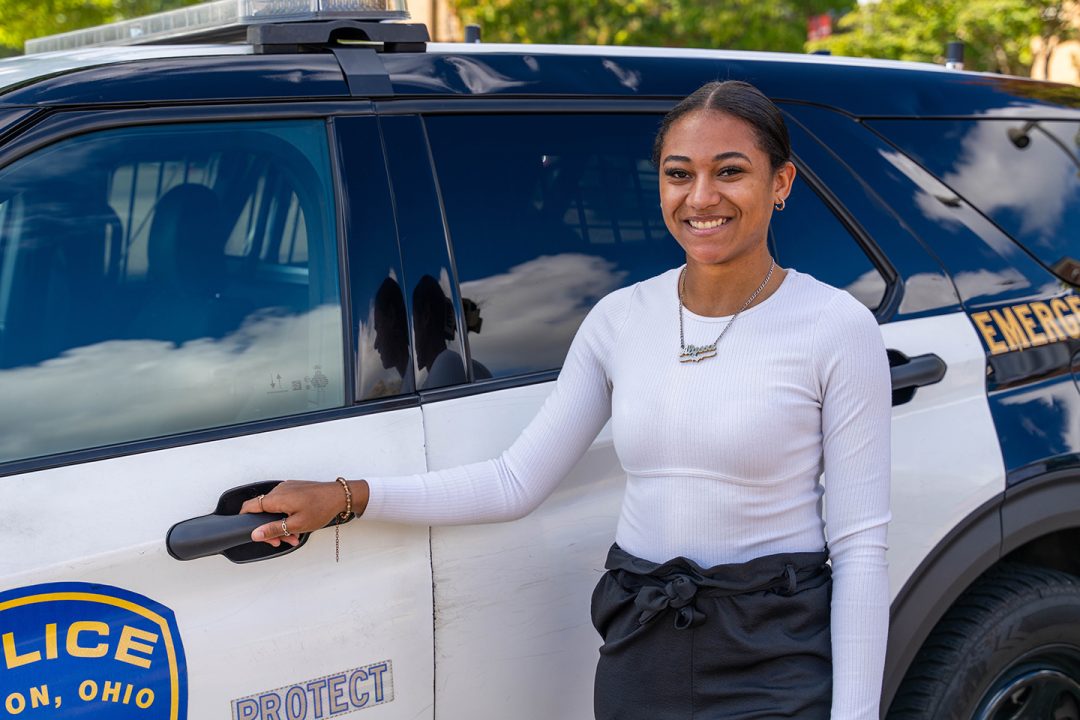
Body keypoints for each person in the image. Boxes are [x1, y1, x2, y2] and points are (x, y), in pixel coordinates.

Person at [241, 80, 891, 720]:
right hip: (642, 647)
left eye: (730, 171)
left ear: (780, 184)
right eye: (678, 173)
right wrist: (348, 496)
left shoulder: (834, 328)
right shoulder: (621, 319)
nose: (701, 197)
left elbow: (861, 549)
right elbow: (514, 481)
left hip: (772, 658)